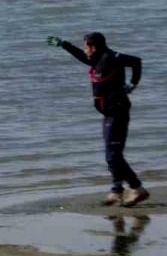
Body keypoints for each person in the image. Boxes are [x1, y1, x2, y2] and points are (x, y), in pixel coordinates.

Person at [47, 32, 149, 207]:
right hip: (108, 113)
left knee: (112, 155)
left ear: (93, 47)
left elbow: (136, 61)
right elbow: (80, 55)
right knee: (112, 154)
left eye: (86, 46)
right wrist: (64, 44)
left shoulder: (111, 57)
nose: (84, 49)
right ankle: (117, 191)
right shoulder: (95, 58)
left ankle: (136, 188)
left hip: (117, 110)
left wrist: (133, 84)